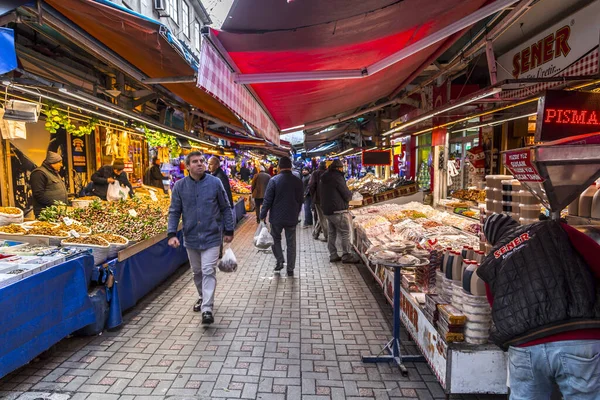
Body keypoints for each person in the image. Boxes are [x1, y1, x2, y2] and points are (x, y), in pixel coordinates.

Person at [478, 213, 600, 399]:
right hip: (579, 335)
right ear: (516, 224)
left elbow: (496, 307)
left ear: (491, 239)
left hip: (525, 344)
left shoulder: (491, 260)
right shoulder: (552, 228)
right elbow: (596, 257)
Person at [167, 152, 234, 325]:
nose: (200, 164)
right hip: (191, 238)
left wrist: (229, 229)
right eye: (195, 162)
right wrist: (172, 233)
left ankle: (207, 308)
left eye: (202, 161)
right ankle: (203, 296)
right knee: (197, 272)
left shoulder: (215, 183)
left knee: (208, 270)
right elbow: (174, 211)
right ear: (187, 166)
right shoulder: (180, 187)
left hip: (212, 236)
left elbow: (226, 207)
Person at [259, 156, 303, 276]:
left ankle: (279, 260)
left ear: (279, 167)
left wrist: (262, 215)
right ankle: (290, 268)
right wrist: (297, 213)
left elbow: (267, 200)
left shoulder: (274, 180)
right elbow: (300, 200)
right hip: (291, 217)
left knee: (275, 239)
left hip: (276, 218)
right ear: (290, 167)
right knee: (291, 243)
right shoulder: (298, 181)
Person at [319, 159, 359, 264]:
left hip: (328, 210)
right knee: (345, 232)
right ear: (338, 168)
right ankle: (346, 255)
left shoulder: (324, 177)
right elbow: (346, 194)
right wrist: (350, 197)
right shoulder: (337, 177)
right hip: (338, 210)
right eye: (342, 167)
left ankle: (333, 254)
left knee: (332, 233)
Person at [30, 151, 68, 217]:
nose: (61, 165)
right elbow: (38, 194)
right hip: (47, 213)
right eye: (59, 162)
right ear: (52, 163)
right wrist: (55, 205)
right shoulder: (39, 173)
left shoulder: (55, 173)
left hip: (57, 212)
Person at [309, 161, 328, 241]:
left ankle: (326, 236)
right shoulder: (328, 173)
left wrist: (313, 195)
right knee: (322, 217)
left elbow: (311, 185)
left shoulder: (315, 173)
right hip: (328, 198)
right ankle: (316, 233)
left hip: (318, 199)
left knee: (322, 217)